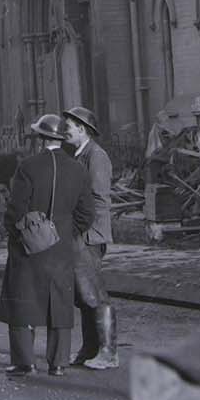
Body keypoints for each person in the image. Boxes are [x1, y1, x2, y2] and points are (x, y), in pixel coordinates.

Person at [0, 113, 94, 377]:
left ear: (40, 138)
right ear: (62, 139)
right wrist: (62, 232)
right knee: (60, 300)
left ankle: (25, 362)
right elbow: (87, 214)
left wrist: (19, 233)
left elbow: (16, 208)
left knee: (23, 299)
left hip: (28, 241)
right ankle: (58, 363)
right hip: (61, 244)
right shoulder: (78, 169)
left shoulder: (27, 167)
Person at [63, 105, 118, 368]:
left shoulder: (96, 156)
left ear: (82, 129)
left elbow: (98, 198)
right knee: (83, 293)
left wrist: (80, 227)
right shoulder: (78, 155)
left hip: (89, 234)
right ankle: (89, 348)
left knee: (94, 292)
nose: (65, 131)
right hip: (79, 233)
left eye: (69, 127)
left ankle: (109, 352)